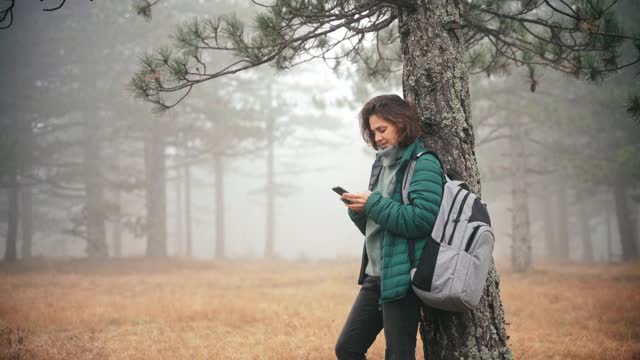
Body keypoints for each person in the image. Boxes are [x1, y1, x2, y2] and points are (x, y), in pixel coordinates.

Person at [334, 94, 444, 360]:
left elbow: (421, 220)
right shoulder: (381, 164)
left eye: (382, 129)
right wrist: (360, 211)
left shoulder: (423, 163)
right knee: (347, 348)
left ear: (401, 123)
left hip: (404, 279)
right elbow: (383, 227)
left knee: (398, 355)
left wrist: (373, 204)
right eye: (373, 132)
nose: (377, 137)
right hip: (376, 276)